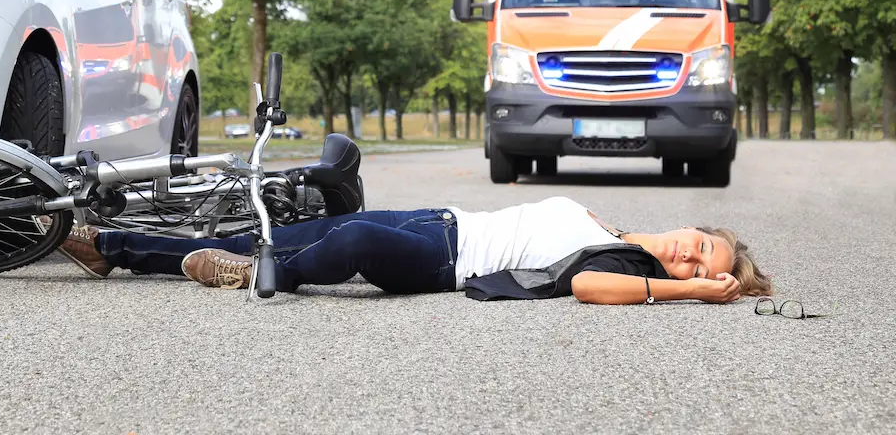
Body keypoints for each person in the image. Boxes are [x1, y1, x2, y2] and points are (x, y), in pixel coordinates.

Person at [49, 196, 772, 305]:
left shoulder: (627, 268)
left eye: (696, 265)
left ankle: (260, 277)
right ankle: (111, 247)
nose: (686, 253)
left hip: (443, 263)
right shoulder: (603, 226)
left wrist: (692, 293)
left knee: (353, 241)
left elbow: (586, 292)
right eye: (700, 245)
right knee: (262, 229)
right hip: (439, 219)